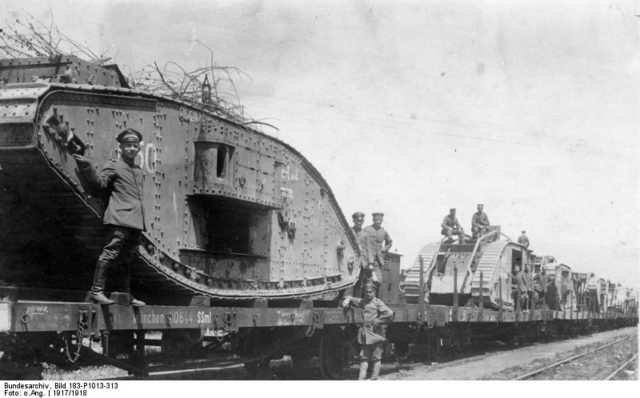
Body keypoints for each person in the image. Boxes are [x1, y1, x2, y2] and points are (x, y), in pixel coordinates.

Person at [73, 128, 146, 306]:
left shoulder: (137, 169)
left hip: (135, 221)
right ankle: (97, 290)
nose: (132, 149)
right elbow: (100, 185)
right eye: (128, 145)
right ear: (121, 147)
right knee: (110, 253)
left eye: (135, 146)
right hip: (119, 218)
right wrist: (87, 166)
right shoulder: (113, 165)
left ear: (138, 148)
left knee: (127, 258)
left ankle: (126, 294)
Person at [342, 283, 394, 380]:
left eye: (370, 292)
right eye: (366, 292)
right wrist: (348, 299)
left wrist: (379, 320)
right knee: (363, 358)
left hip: (375, 334)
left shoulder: (377, 302)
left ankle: (374, 378)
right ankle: (361, 379)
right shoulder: (363, 302)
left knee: (376, 358)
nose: (368, 294)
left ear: (374, 292)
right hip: (365, 335)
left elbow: (390, 313)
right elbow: (353, 299)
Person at [361, 213, 392, 291]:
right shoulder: (367, 229)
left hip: (378, 260)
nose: (378, 222)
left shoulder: (383, 231)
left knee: (378, 281)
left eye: (380, 220)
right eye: (376, 220)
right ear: (373, 220)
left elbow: (389, 241)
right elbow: (362, 242)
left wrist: (385, 248)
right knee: (365, 280)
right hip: (367, 259)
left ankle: (374, 300)